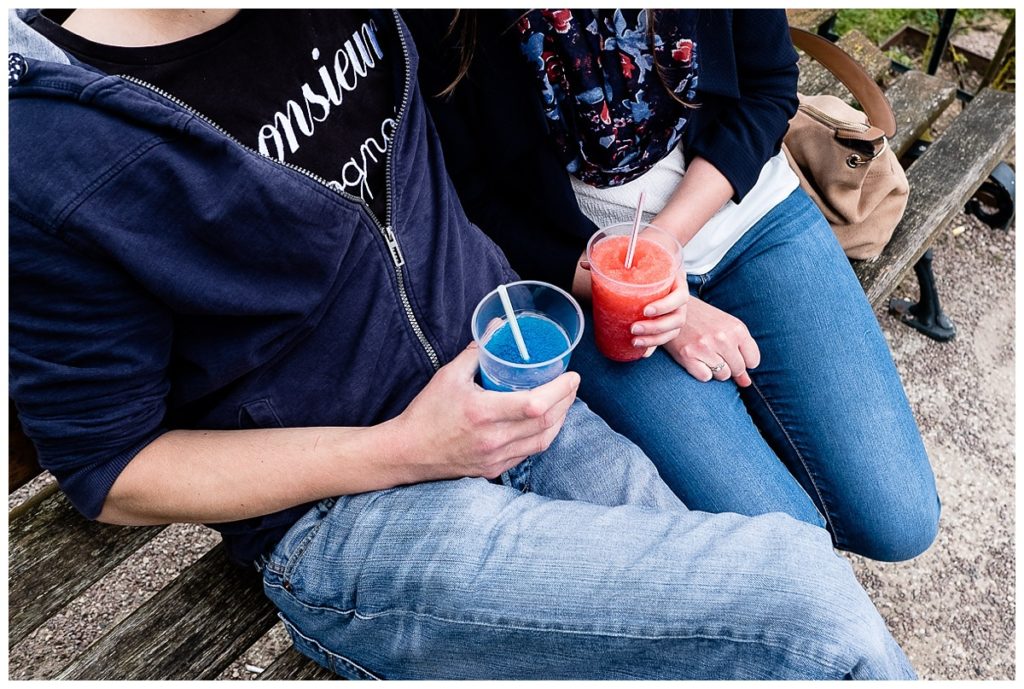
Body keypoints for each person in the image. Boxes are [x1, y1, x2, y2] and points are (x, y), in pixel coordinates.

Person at [9, 8, 916, 680]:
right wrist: (403, 449)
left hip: (523, 397)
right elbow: (112, 472)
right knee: (799, 599)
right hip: (355, 516)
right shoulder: (54, 148)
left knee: (752, 632)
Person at [406, 8, 941, 563]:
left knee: (900, 523)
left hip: (746, 212)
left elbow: (769, 86)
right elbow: (476, 194)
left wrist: (658, 251)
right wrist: (644, 293)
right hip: (579, 263)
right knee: (792, 552)